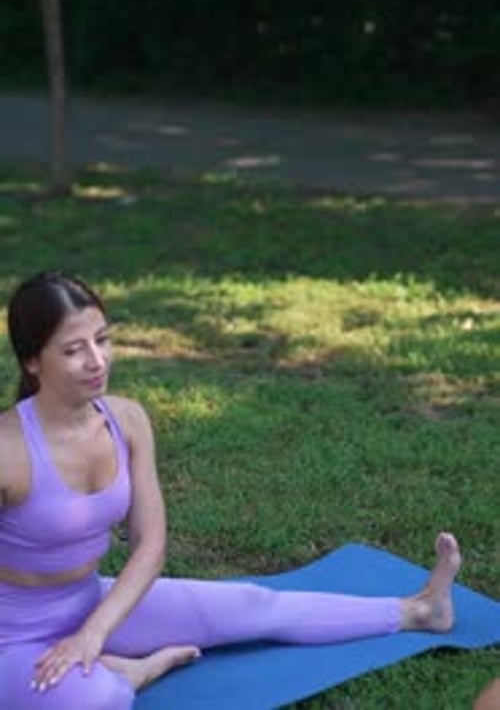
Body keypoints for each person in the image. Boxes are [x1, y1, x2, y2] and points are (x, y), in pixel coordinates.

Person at [0, 271, 462, 710]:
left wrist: (93, 633)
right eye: (74, 350)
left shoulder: (128, 420)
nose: (97, 361)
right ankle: (132, 673)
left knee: (251, 604)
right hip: (11, 639)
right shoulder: (8, 450)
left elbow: (150, 545)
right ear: (32, 361)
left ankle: (420, 611)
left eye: (103, 340)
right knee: (95, 698)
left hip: (89, 602)